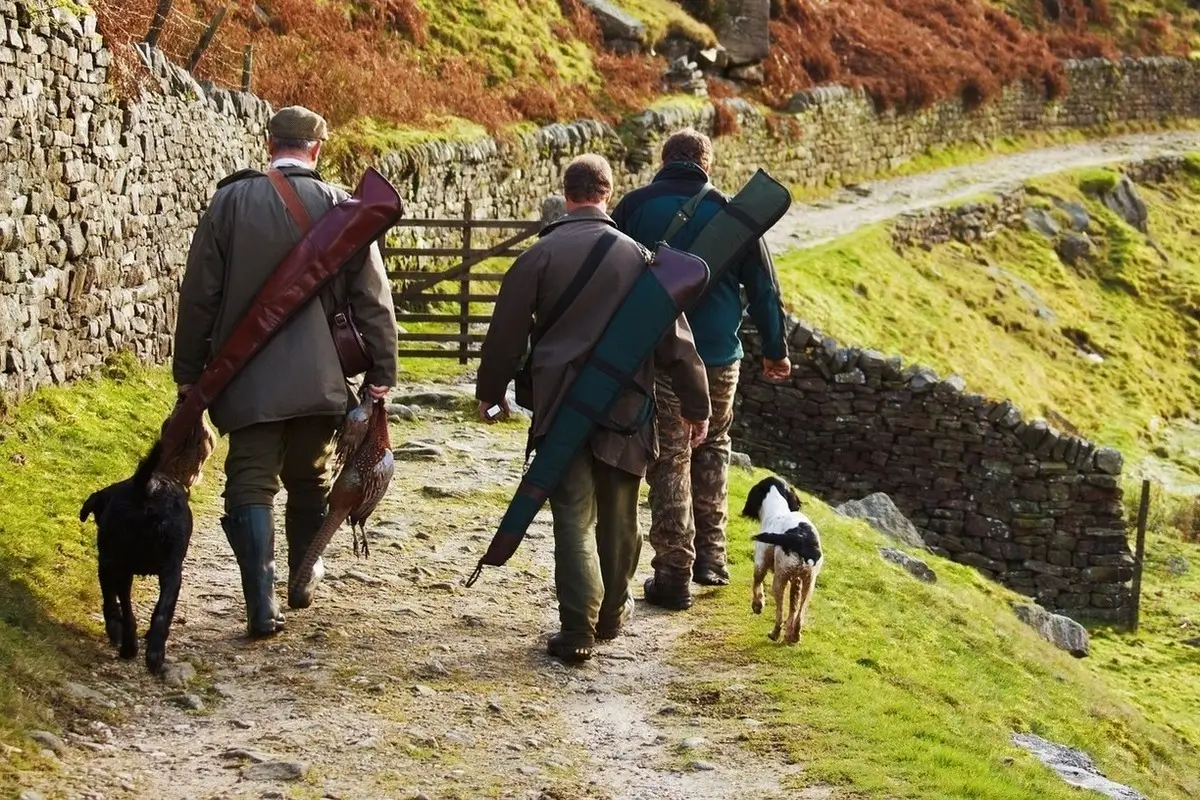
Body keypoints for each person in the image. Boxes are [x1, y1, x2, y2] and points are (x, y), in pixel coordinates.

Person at [173, 106, 398, 637]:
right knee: (310, 477)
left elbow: (199, 294)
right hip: (322, 381)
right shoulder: (343, 207)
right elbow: (373, 299)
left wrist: (190, 375)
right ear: (317, 148)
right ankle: (303, 575)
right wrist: (381, 373)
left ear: (268, 141)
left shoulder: (229, 201)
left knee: (249, 483)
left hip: (245, 379)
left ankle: (260, 604)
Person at [476, 154, 711, 662]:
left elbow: (505, 336)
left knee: (572, 517)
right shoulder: (641, 258)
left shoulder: (539, 256)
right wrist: (698, 405)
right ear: (608, 193)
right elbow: (675, 341)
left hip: (560, 406)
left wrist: (491, 392)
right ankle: (611, 615)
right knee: (620, 517)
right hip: (626, 407)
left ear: (567, 193)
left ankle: (577, 628)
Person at [612, 128, 791, 611]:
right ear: (706, 165)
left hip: (660, 353)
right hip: (718, 357)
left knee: (671, 454)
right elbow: (765, 291)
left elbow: (609, 274)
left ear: (664, 160)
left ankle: (673, 570)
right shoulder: (735, 216)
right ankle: (711, 559)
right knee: (713, 446)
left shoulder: (633, 207)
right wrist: (775, 351)